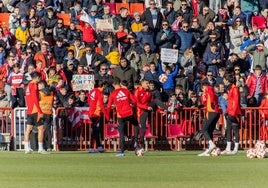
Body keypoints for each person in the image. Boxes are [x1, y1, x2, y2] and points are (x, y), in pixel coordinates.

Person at [106, 78, 139, 157]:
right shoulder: (126, 91)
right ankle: (136, 141)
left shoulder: (113, 93)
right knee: (136, 125)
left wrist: (108, 117)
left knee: (121, 133)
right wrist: (132, 105)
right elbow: (134, 100)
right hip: (129, 113)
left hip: (120, 115)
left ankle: (122, 152)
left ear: (113, 85)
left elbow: (109, 106)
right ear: (120, 83)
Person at [24, 72, 47, 154]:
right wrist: (40, 111)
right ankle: (40, 148)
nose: (39, 80)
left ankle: (27, 148)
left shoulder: (28, 86)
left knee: (28, 129)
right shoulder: (34, 85)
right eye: (39, 78)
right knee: (41, 128)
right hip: (35, 110)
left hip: (29, 110)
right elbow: (35, 99)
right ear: (37, 78)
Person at [198, 82, 220, 156]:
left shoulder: (209, 89)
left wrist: (210, 103)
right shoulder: (208, 92)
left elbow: (211, 98)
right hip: (215, 113)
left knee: (204, 129)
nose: (203, 90)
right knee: (209, 130)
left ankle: (211, 144)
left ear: (205, 86)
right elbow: (205, 102)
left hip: (211, 112)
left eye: (203, 88)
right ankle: (208, 150)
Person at [221, 74, 241, 155]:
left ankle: (236, 148)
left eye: (224, 79)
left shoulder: (234, 88)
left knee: (235, 129)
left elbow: (235, 102)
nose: (223, 81)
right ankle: (228, 147)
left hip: (234, 113)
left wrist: (232, 113)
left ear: (227, 80)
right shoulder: (230, 88)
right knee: (228, 129)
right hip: (229, 112)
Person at [87, 80, 107, 153]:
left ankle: (99, 147)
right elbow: (101, 105)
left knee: (97, 130)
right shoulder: (99, 93)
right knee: (95, 131)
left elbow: (88, 100)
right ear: (103, 85)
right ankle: (91, 147)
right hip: (96, 114)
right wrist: (107, 115)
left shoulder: (93, 91)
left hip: (91, 112)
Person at [134, 79, 153, 149]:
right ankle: (136, 141)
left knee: (143, 127)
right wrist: (146, 107)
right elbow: (137, 103)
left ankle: (141, 141)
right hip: (138, 111)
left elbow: (151, 101)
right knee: (137, 126)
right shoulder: (137, 91)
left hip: (145, 111)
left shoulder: (149, 92)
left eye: (148, 83)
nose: (148, 85)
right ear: (142, 83)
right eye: (147, 83)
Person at [38, 80, 54, 151]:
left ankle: (42, 146)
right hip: (49, 112)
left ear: (42, 85)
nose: (38, 86)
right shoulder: (51, 92)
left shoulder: (40, 93)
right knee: (48, 130)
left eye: (39, 85)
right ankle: (49, 146)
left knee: (41, 130)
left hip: (41, 113)